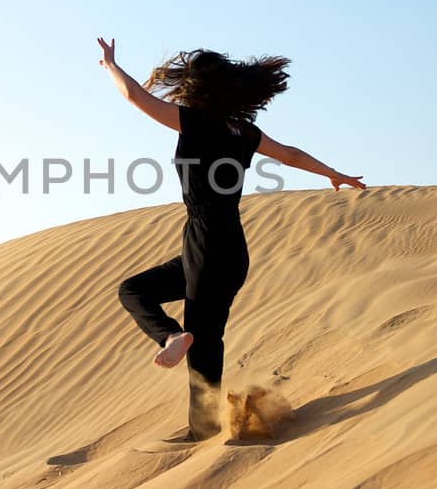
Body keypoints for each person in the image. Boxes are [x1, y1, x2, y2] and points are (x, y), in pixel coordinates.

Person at [97, 39, 367, 440]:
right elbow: (290, 155)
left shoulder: (194, 121)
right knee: (136, 290)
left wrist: (110, 65)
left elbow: (135, 95)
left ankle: (202, 428)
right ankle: (175, 341)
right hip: (227, 246)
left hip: (206, 241)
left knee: (203, 345)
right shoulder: (243, 132)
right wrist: (332, 173)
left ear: (197, 88)